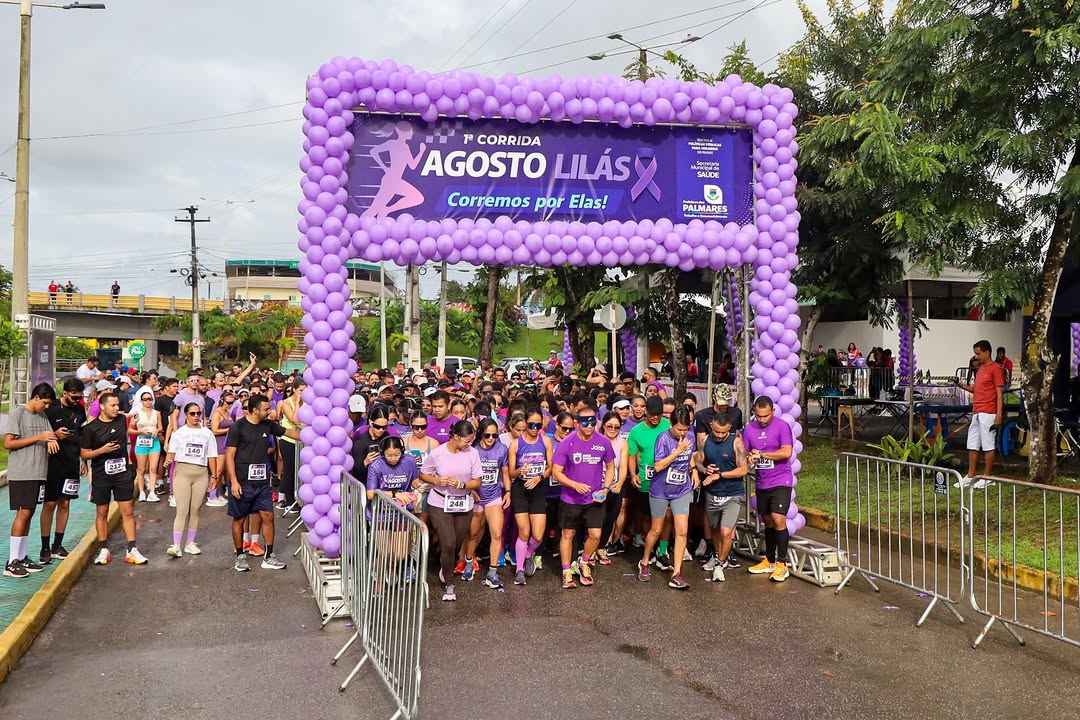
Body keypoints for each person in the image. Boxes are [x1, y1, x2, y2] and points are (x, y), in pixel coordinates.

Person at [224, 394, 300, 572]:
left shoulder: (268, 425)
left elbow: (290, 433)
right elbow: (229, 456)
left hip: (263, 483)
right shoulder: (238, 427)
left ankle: (269, 555)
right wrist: (234, 481)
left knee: (268, 516)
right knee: (240, 518)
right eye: (266, 409)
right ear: (255, 410)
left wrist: (316, 435)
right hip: (242, 481)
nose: (270, 412)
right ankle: (240, 556)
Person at [551, 401, 615, 589]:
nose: (589, 427)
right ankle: (566, 572)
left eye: (592, 423)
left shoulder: (603, 442)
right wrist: (574, 485)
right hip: (571, 499)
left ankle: (583, 562)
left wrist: (606, 487)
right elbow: (556, 472)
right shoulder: (566, 443)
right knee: (568, 534)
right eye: (584, 423)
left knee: (595, 535)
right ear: (577, 423)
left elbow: (610, 467)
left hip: (595, 499)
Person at [80, 392, 149, 566]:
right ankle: (104, 549)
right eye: (113, 405)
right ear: (102, 406)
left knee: (127, 511)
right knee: (101, 512)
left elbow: (130, 415)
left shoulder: (120, 420)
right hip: (101, 475)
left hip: (122, 474)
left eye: (118, 405)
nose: (117, 408)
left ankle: (132, 549)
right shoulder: (90, 428)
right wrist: (102, 450)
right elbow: (84, 454)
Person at [420, 420, 483, 602]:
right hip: (440, 501)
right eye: (466, 441)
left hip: (463, 502)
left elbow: (477, 481)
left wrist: (461, 484)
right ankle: (449, 583)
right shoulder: (438, 453)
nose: (468, 444)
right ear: (456, 437)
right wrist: (436, 481)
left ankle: (445, 566)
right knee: (448, 542)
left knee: (455, 544)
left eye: (471, 441)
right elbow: (423, 473)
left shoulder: (473, 453)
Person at [638, 405, 698, 590]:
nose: (683, 433)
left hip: (682, 489)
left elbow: (691, 456)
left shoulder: (690, 436)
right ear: (670, 424)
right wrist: (677, 451)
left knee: (681, 531)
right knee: (656, 530)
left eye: (686, 429)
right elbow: (658, 466)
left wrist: (694, 470)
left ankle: (677, 573)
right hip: (660, 490)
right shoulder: (662, 439)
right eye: (679, 429)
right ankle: (645, 561)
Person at [4, 384, 59, 578]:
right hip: (23, 472)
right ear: (36, 397)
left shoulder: (42, 417)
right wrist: (39, 437)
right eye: (44, 403)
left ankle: (21, 556)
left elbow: (48, 436)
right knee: (23, 513)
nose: (46, 407)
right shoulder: (18, 414)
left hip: (38, 472)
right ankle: (12, 561)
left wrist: (53, 438)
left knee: (30, 513)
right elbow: (8, 443)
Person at [743, 396, 795, 582]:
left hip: (781, 480)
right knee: (767, 521)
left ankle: (783, 564)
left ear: (772, 411)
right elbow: (746, 453)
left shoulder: (782, 426)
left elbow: (786, 452)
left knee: (778, 518)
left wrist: (764, 454)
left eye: (765, 416)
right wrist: (750, 457)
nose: (762, 419)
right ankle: (769, 560)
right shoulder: (749, 429)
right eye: (758, 416)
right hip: (762, 481)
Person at [697, 412, 748, 582]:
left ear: (729, 429)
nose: (719, 435)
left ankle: (721, 563)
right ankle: (716, 555)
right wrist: (705, 470)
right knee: (714, 529)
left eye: (723, 433)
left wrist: (720, 475)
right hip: (712, 494)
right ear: (711, 425)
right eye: (716, 432)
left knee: (726, 532)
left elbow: (743, 470)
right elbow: (698, 460)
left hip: (732, 494)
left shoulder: (736, 443)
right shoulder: (705, 441)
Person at [39, 379, 86, 565]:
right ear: (65, 393)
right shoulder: (51, 409)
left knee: (65, 503)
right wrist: (55, 436)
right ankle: (44, 547)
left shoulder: (80, 410)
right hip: (53, 463)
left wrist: (84, 460)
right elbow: (40, 432)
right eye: (74, 396)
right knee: (50, 504)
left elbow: (83, 436)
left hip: (72, 462)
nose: (77, 400)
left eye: (80, 396)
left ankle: (57, 545)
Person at [164, 402, 219, 558]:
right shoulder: (179, 433)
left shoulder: (207, 433)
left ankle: (190, 543)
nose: (196, 416)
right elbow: (171, 455)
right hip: (182, 473)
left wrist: (214, 476)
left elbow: (212, 456)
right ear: (185, 415)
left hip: (201, 473)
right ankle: (176, 545)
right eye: (192, 413)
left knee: (195, 510)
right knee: (182, 510)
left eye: (198, 413)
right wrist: (167, 461)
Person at [507, 408, 554, 586]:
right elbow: (511, 472)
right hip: (520, 489)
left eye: (538, 425)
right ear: (525, 424)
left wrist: (539, 477)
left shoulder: (546, 441)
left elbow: (551, 467)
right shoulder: (516, 444)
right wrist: (520, 471)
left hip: (538, 488)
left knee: (539, 535)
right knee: (524, 532)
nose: (535, 428)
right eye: (531, 424)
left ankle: (528, 554)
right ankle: (519, 570)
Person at [461, 418, 510, 588]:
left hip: (494, 495)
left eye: (495, 435)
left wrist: (508, 492)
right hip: (475, 495)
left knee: (496, 533)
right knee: (473, 534)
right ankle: (468, 562)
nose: (491, 438)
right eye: (487, 435)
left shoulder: (502, 449)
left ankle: (492, 572)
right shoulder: (472, 449)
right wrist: (471, 490)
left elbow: (505, 473)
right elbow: (465, 473)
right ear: (481, 433)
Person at [627, 396, 672, 567]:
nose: (656, 418)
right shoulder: (636, 431)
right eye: (653, 414)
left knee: (667, 515)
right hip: (646, 479)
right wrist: (633, 474)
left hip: (667, 479)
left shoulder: (668, 425)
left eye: (659, 414)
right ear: (646, 412)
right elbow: (631, 455)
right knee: (648, 517)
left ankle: (663, 550)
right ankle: (650, 548)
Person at [955, 340, 1005, 489]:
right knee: (972, 444)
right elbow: (976, 389)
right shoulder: (981, 369)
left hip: (989, 412)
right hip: (977, 411)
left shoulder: (995, 369)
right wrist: (962, 386)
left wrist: (999, 415)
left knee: (988, 445)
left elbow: (999, 394)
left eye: (978, 353)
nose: (976, 356)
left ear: (986, 352)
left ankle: (987, 477)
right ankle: (970, 476)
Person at [598, 411, 629, 561]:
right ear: (603, 425)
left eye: (617, 427)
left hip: (616, 485)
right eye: (609, 426)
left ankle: (601, 547)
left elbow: (623, 467)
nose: (613, 429)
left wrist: (620, 483)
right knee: (599, 518)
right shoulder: (595, 440)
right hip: (598, 486)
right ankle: (591, 547)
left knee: (611, 518)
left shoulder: (622, 443)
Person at [129, 388, 163, 502]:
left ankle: (152, 492)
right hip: (142, 441)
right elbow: (130, 430)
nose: (148, 401)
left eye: (150, 399)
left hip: (154, 442)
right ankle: (142, 491)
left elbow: (160, 427)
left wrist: (156, 430)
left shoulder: (157, 413)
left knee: (153, 468)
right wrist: (140, 432)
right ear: (141, 401)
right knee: (141, 469)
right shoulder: (137, 414)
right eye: (145, 399)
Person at [277, 377, 306, 510]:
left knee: (300, 470)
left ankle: (298, 498)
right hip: (288, 440)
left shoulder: (308, 402)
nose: (303, 393)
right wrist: (298, 402)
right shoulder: (286, 403)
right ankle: (289, 500)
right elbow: (294, 419)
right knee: (290, 470)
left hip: (302, 441)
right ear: (294, 389)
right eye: (301, 390)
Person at [207, 387, 236, 507]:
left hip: (227, 443)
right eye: (228, 403)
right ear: (222, 401)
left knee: (224, 470)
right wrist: (229, 429)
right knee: (217, 471)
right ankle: (212, 495)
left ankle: (218, 494)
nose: (230, 405)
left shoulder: (227, 413)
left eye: (232, 402)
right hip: (219, 443)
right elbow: (214, 430)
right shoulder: (217, 413)